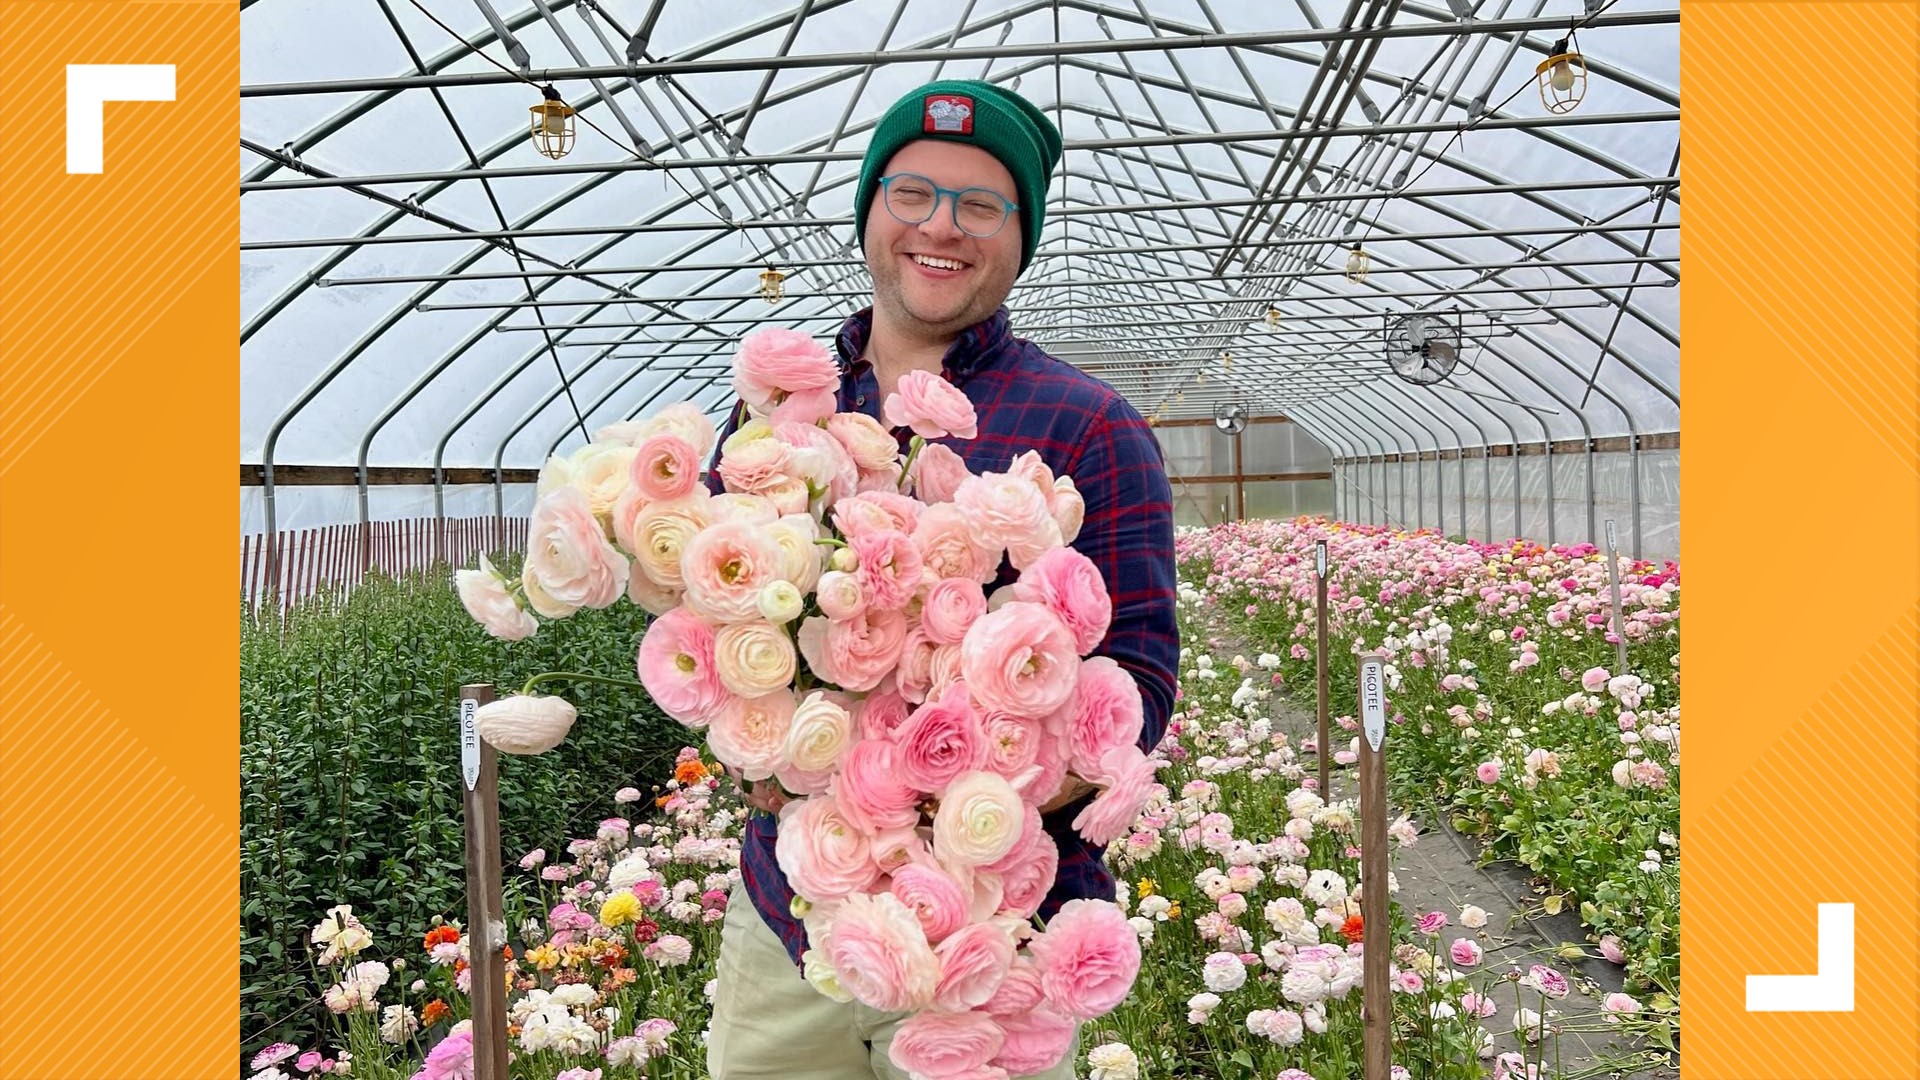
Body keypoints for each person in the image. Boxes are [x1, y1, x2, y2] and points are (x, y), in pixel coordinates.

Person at [701, 78, 1178, 1080]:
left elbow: (1140, 672)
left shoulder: (1089, 426)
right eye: (912, 193)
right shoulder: (766, 426)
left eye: (981, 206)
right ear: (872, 208)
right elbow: (700, 630)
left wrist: (981, 791)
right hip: (789, 916)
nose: (941, 228)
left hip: (997, 945)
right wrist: (752, 738)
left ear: (1020, 237)